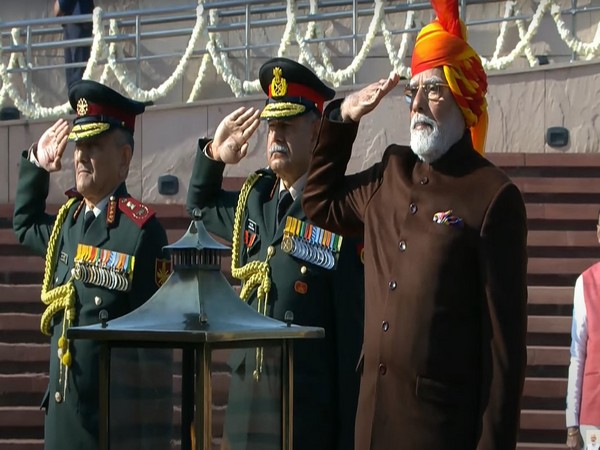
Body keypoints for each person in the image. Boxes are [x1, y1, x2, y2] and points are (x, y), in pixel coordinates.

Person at [301, 1, 528, 449]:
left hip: (439, 433)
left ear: (463, 99)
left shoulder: (493, 196)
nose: (418, 104)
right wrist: (342, 117)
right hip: (371, 426)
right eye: (413, 93)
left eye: (434, 91)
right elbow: (318, 202)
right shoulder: (392, 172)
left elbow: (504, 357)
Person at [186, 57, 364, 450]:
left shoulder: (335, 211)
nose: (274, 135)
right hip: (246, 408)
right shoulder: (256, 199)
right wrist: (215, 154)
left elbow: (350, 343)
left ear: (317, 131)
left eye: (286, 124)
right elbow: (198, 206)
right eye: (271, 125)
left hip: (302, 416)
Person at [13, 80, 170, 449]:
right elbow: (24, 224)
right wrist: (37, 162)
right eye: (79, 146)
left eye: (94, 146)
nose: (81, 156)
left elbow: (154, 358)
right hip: (63, 418)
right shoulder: (67, 224)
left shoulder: (141, 233)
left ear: (125, 158)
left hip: (110, 428)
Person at [565, 212, 600, 450]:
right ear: (598, 232)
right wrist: (571, 423)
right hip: (594, 416)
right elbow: (577, 355)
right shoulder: (585, 283)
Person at [54, 0, 94, 90]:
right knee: (74, 73)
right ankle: (76, 101)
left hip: (78, 23)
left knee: (77, 74)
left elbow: (59, 9)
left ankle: (78, 102)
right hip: (73, 22)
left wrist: (60, 4)